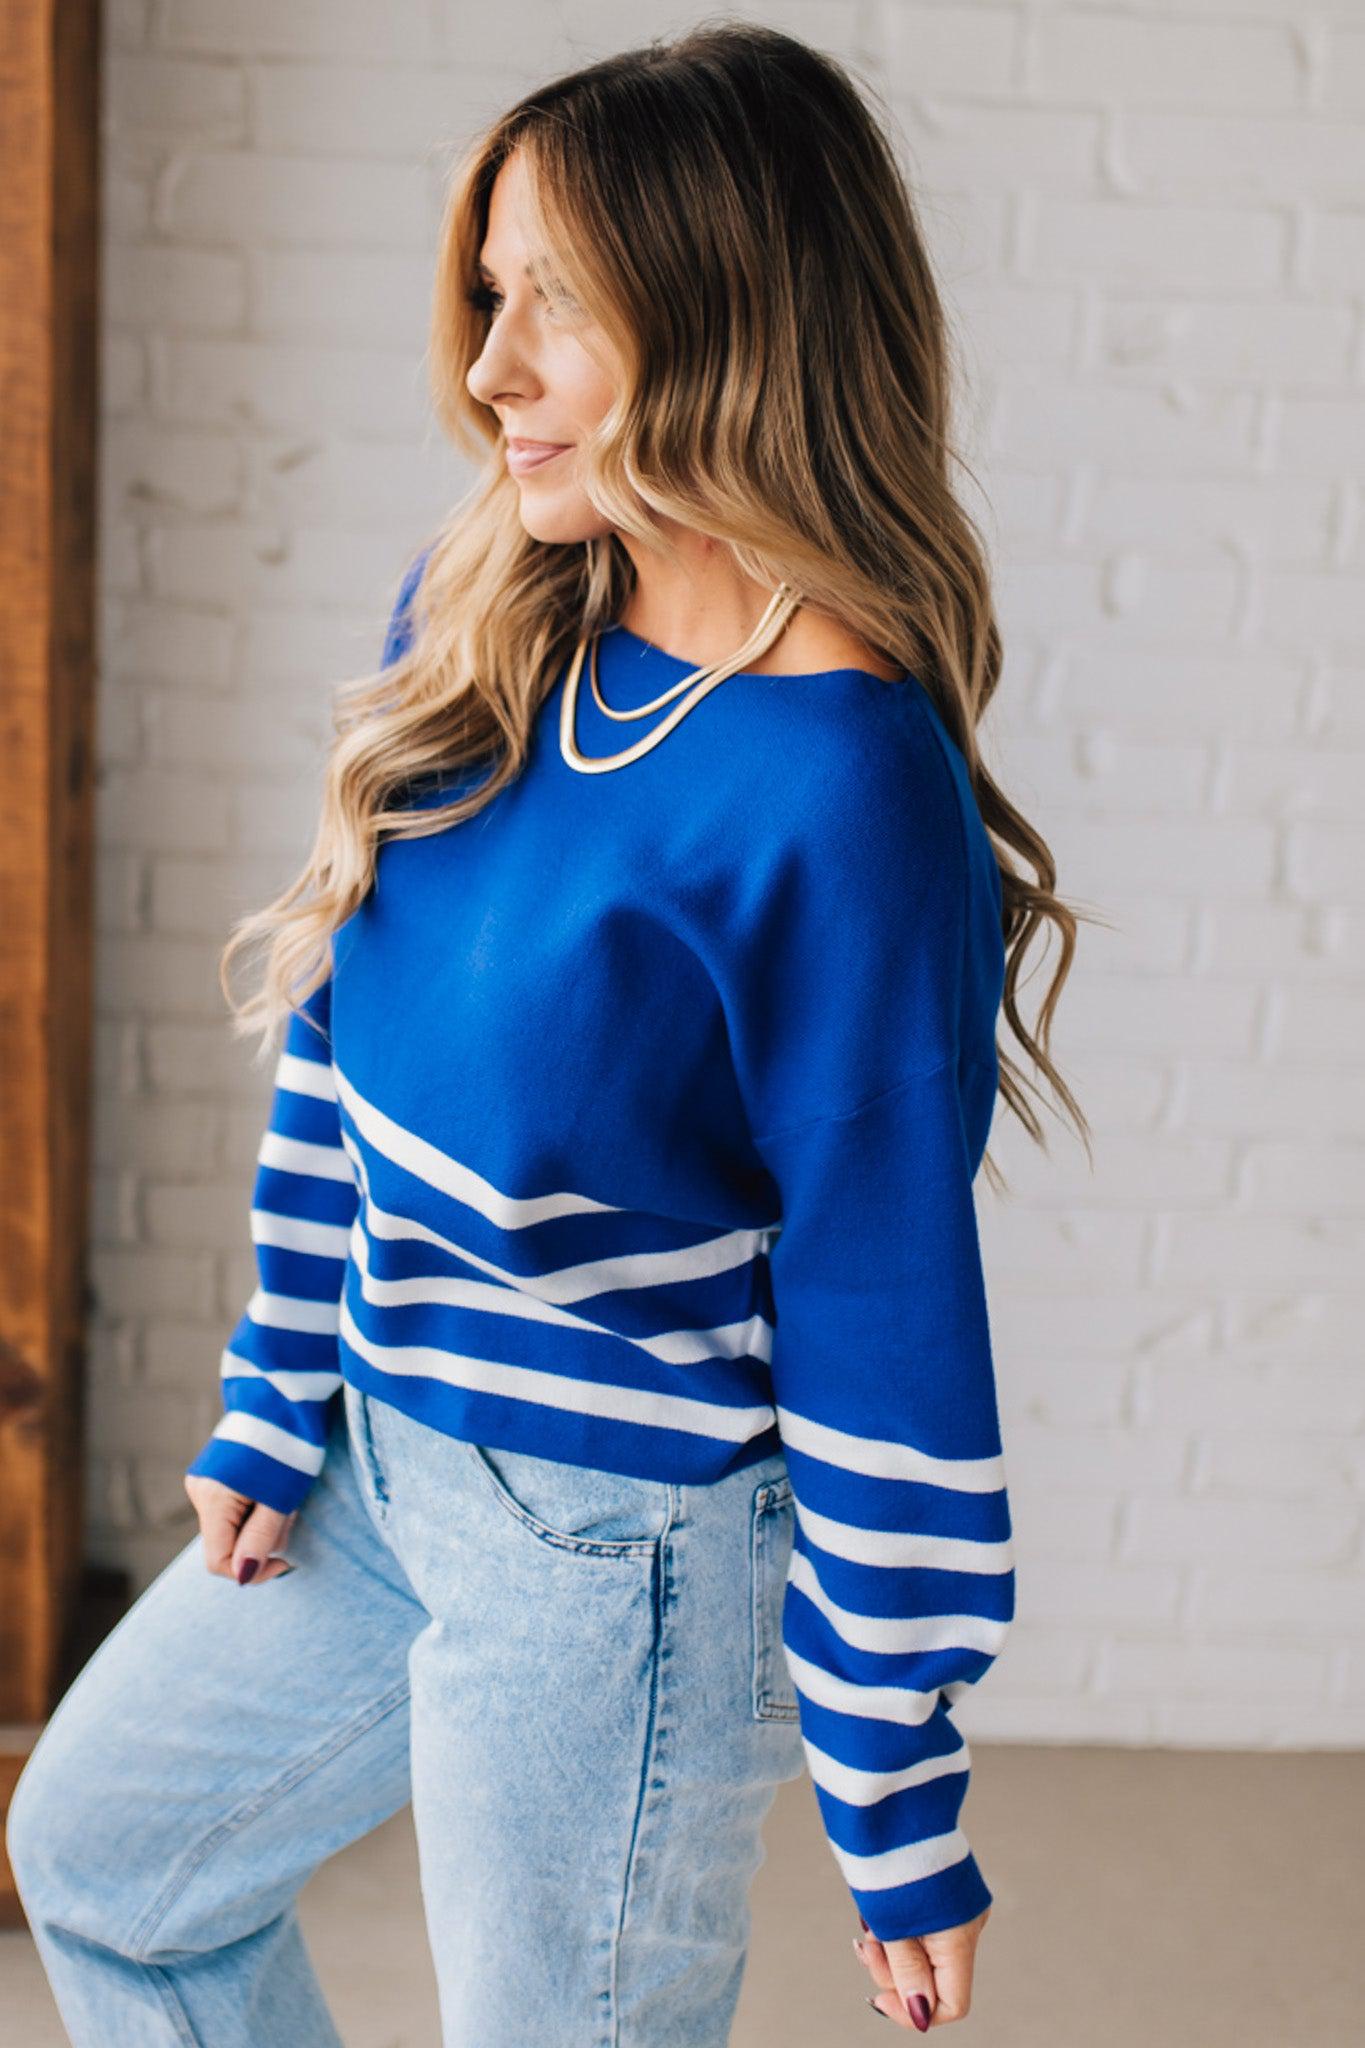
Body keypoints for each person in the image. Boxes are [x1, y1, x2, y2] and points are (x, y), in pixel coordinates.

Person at [7, 23, 1091, 2045]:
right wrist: (272, 1385)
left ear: (730, 321)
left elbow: (879, 1309)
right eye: (489, 295)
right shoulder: (492, 599)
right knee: (107, 1865)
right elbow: (339, 1030)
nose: (489, 368)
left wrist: (893, 1786)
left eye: (557, 306)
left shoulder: (841, 780)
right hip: (377, 1456)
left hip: (623, 1563)